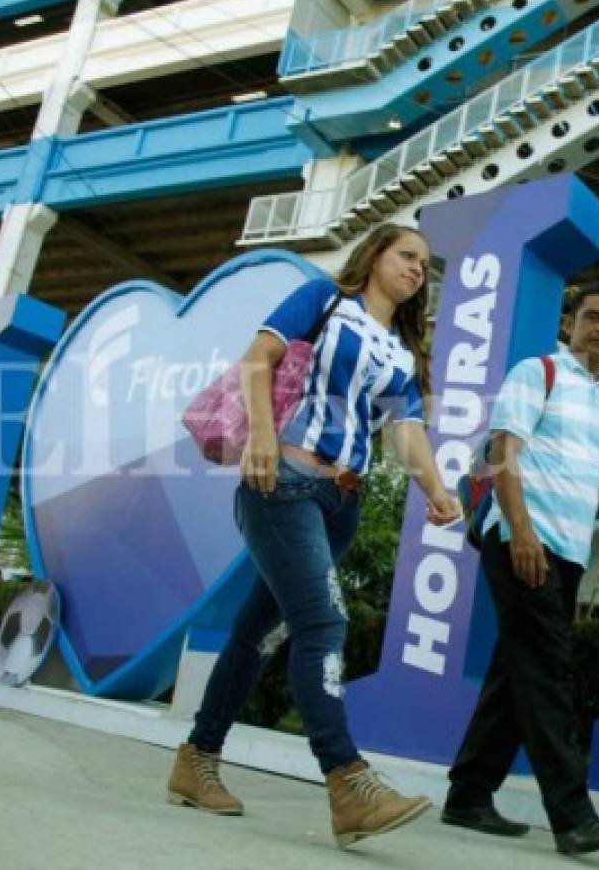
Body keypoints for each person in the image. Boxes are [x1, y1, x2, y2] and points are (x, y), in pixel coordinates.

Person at [167, 223, 462, 849]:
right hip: (284, 483)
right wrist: (266, 441)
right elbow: (258, 360)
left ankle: (196, 760)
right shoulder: (322, 299)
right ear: (375, 254)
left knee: (261, 633)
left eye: (424, 265)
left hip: (341, 501)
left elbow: (406, 431)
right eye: (406, 255)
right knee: (323, 623)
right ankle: (347, 779)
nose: (417, 269)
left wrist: (437, 491)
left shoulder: (404, 355)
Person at [443, 282, 599, 855]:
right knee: (548, 670)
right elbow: (502, 452)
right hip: (523, 541)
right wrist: (522, 530)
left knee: (517, 672)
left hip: (568, 550)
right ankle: (573, 816)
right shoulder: (537, 372)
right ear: (570, 324)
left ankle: (468, 795)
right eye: (593, 317)